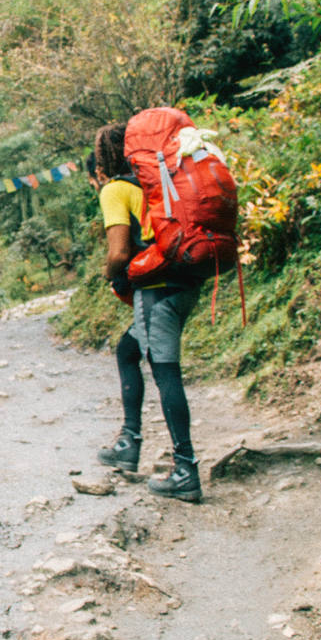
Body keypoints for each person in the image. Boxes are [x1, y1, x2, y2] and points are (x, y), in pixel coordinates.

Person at [88, 125, 202, 502]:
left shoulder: (115, 189)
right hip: (185, 283)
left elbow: (120, 253)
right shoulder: (153, 185)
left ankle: (185, 470)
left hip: (157, 291)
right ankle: (128, 443)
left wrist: (109, 274)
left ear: (101, 164)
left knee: (165, 370)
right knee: (128, 350)